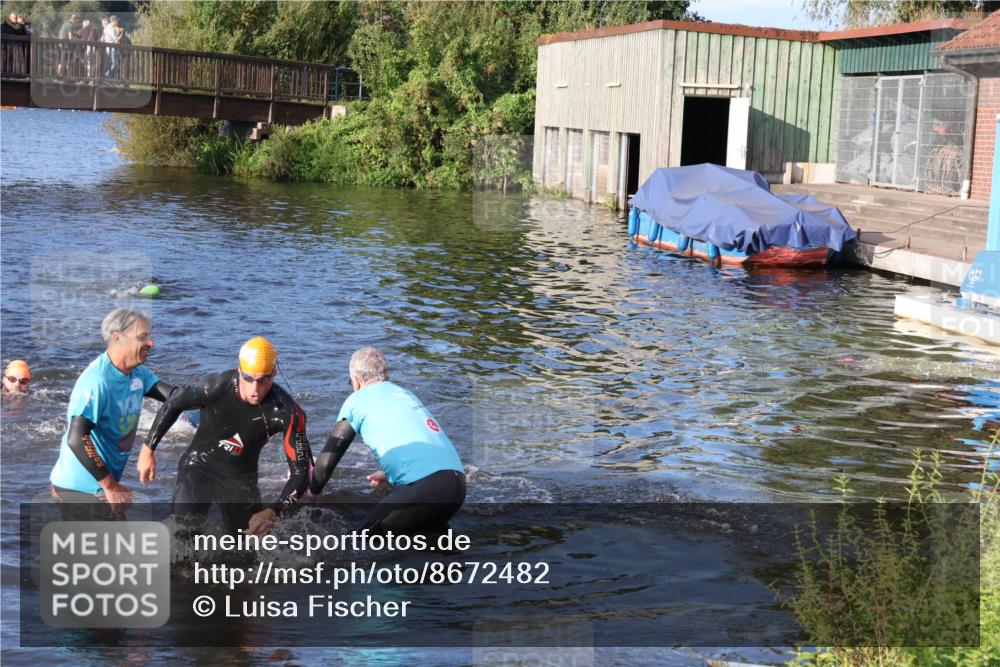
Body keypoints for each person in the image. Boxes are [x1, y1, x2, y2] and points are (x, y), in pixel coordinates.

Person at [139, 337, 311, 536]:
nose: (255, 389)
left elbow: (301, 474)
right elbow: (173, 404)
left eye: (264, 380)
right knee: (182, 531)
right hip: (199, 465)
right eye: (248, 378)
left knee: (247, 545)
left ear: (274, 374)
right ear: (239, 370)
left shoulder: (287, 412)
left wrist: (273, 511)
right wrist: (147, 449)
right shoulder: (214, 386)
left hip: (241, 479)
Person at [309, 347, 466, 534]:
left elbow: (327, 461)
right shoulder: (405, 393)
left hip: (426, 489)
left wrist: (312, 495)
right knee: (428, 539)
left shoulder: (357, 400)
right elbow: (418, 438)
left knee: (363, 539)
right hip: (457, 486)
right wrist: (388, 471)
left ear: (356, 381)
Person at [48, 309, 174, 520]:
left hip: (98, 486)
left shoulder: (137, 372)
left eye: (149, 336)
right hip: (79, 489)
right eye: (142, 337)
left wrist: (217, 390)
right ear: (117, 338)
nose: (151, 343)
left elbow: (175, 397)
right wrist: (110, 486)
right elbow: (76, 438)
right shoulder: (97, 381)